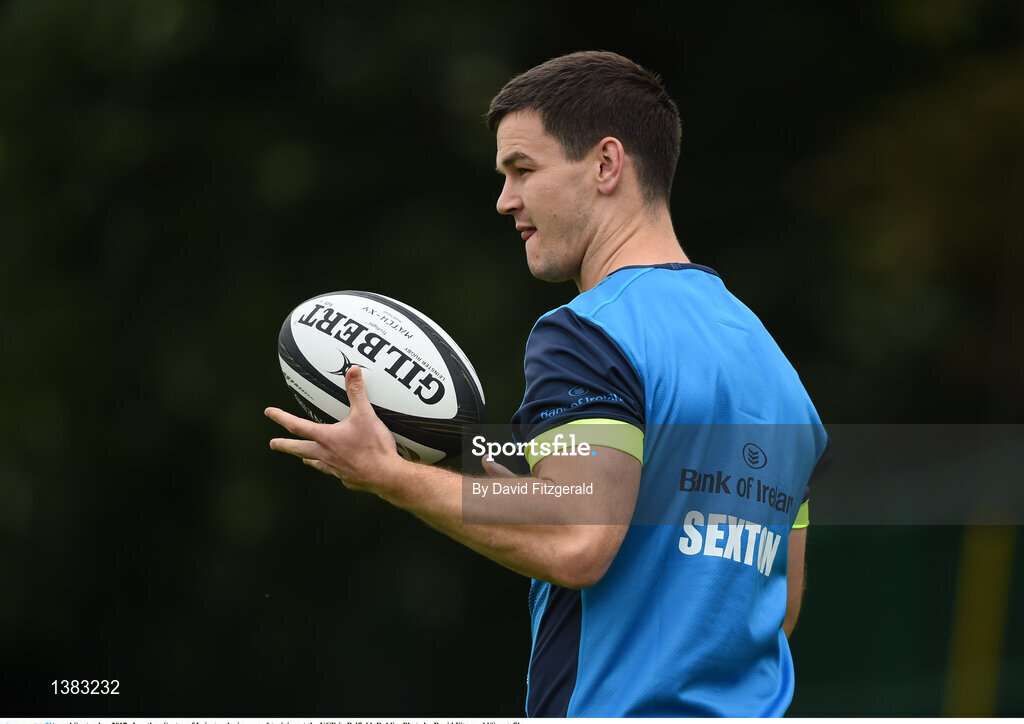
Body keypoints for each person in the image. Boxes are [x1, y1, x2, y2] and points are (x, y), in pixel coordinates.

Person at [266, 50, 830, 717]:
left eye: (522, 170)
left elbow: (578, 541)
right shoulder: (776, 371)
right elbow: (775, 606)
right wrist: (489, 474)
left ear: (606, 164)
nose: (505, 200)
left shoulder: (590, 332)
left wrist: (389, 474)